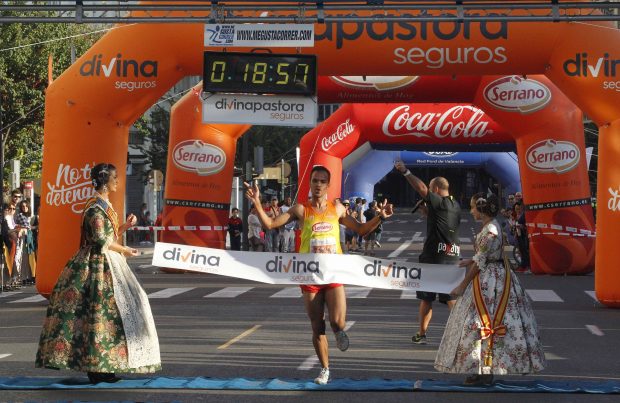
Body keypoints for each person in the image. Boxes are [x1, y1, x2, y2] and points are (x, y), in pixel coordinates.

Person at [244, 166, 392, 385]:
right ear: (310, 183)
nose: (318, 184)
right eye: (315, 180)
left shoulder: (338, 209)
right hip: (309, 276)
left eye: (323, 181)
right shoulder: (301, 210)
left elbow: (361, 230)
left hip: (333, 273)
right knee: (317, 325)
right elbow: (271, 224)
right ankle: (325, 369)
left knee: (337, 322)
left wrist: (380, 217)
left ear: (328, 185)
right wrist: (256, 202)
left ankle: (340, 331)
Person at [36, 163, 161, 384]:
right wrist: (126, 249)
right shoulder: (94, 208)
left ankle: (107, 365)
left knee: (115, 315)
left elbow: (107, 235)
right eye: (115, 178)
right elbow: (101, 241)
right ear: (105, 181)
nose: (117, 181)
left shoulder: (102, 205)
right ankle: (96, 367)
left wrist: (123, 227)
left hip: (107, 261)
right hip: (96, 265)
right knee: (98, 315)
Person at [435, 193, 545, 385]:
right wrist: (471, 260)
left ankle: (485, 370)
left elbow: (481, 262)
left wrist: (462, 285)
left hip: (490, 281)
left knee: (481, 322)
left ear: (482, 209)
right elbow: (486, 255)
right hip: (494, 275)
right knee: (484, 323)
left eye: (473, 207)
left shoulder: (490, 230)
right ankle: (482, 369)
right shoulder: (490, 226)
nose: (471, 211)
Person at [394, 161, 461, 345]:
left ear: (437, 189)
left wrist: (405, 171)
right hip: (452, 255)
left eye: (432, 190)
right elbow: (442, 222)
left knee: (426, 298)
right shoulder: (455, 205)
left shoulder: (438, 201)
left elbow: (421, 187)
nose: (429, 193)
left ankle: (422, 334)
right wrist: (427, 212)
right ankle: (463, 332)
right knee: (450, 298)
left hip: (433, 257)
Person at [14, 200, 36, 285]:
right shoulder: (20, 215)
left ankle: (28, 277)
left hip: (30, 237)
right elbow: (16, 225)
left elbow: (30, 227)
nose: (25, 208)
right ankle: (23, 278)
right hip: (23, 237)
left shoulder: (31, 216)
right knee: (23, 258)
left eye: (26, 206)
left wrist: (32, 227)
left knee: (29, 258)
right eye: (23, 206)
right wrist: (25, 228)